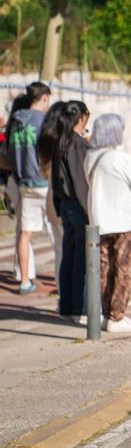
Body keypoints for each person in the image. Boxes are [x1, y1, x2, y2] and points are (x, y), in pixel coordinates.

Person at [84, 114, 131, 333]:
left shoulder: (90, 158)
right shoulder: (120, 158)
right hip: (124, 221)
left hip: (99, 220)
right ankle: (117, 316)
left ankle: (106, 314)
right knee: (124, 269)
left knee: (104, 268)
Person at [39, 100, 91, 323]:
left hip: (66, 205)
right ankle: (79, 307)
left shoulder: (60, 141)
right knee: (81, 259)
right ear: (82, 118)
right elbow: (80, 181)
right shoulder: (77, 144)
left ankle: (67, 305)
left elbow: (58, 181)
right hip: (78, 206)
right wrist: (89, 210)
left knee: (68, 257)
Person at [6, 83, 52, 295]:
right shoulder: (44, 121)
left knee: (25, 233)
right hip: (44, 182)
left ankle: (24, 281)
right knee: (58, 233)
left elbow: (8, 152)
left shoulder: (15, 122)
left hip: (23, 182)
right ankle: (64, 282)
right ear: (44, 98)